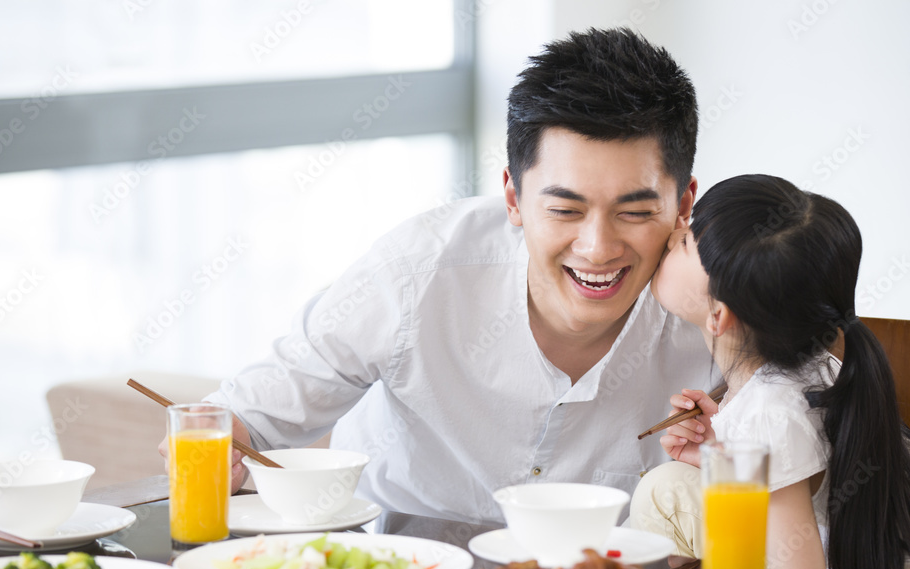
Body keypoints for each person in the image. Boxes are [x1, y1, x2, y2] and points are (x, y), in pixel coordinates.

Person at [161, 28, 717, 524]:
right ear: (513, 196)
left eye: (636, 212)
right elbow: (244, 420)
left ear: (684, 203)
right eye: (565, 210)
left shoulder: (726, 308)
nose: (597, 248)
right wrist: (217, 446)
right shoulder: (417, 272)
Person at [631, 174, 910, 569]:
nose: (672, 233)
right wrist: (721, 455)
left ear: (718, 316)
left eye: (686, 243)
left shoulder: (768, 412)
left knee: (662, 490)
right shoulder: (812, 368)